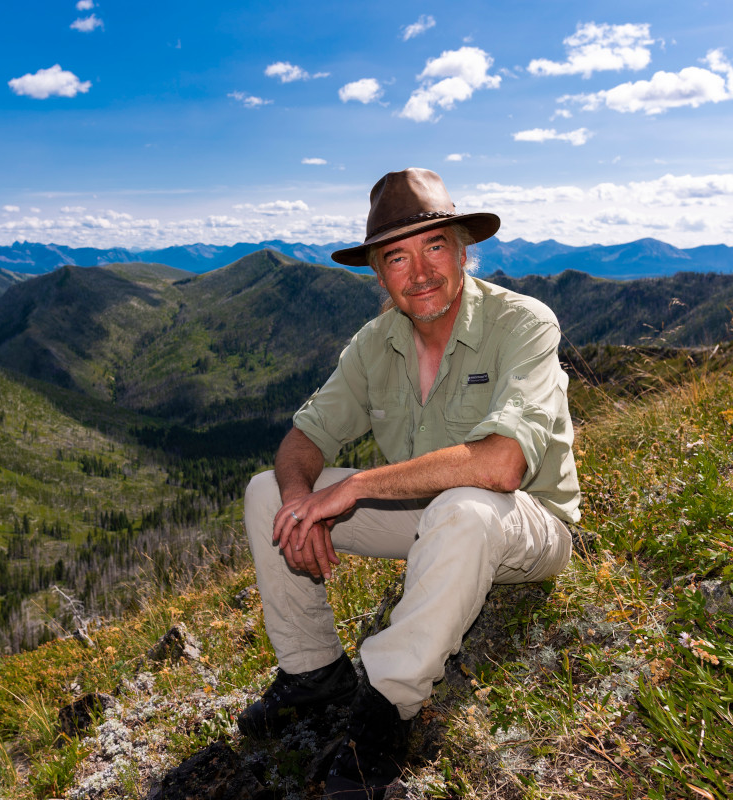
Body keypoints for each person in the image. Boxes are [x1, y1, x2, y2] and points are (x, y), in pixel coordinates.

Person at [238, 168, 581, 799]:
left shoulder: (524, 324)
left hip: (523, 524)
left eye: (435, 247)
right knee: (266, 493)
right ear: (377, 270)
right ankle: (313, 672)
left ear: (462, 249)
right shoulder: (375, 343)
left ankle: (386, 709)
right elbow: (304, 439)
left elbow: (503, 465)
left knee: (466, 506)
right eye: (397, 256)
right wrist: (298, 501)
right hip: (429, 520)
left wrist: (357, 485)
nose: (419, 272)